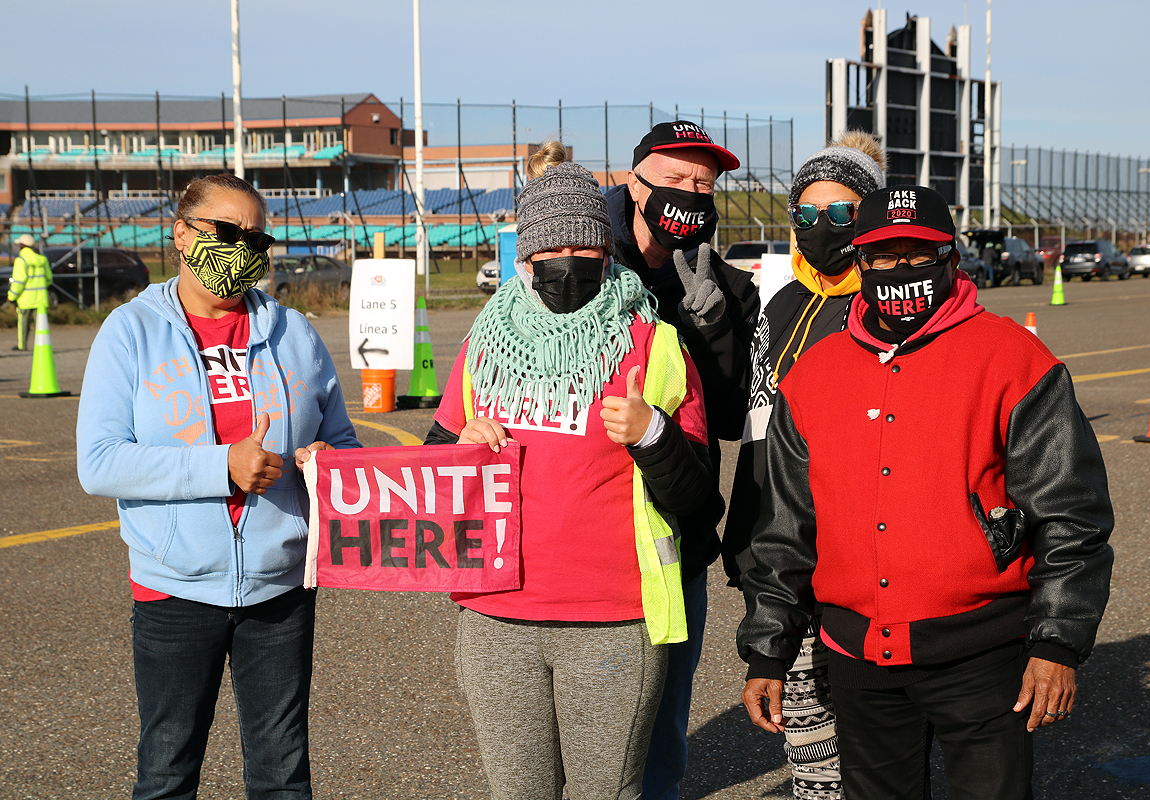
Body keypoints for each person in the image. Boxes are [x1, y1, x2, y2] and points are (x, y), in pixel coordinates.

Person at [737, 184, 1114, 800]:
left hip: (984, 654)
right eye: (883, 257)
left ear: (952, 257)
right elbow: (785, 528)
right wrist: (768, 651)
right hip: (856, 659)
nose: (900, 271)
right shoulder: (812, 375)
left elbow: (1072, 515)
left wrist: (1058, 643)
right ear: (859, 261)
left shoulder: (1015, 359)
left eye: (920, 255)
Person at [425, 143, 712, 800]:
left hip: (613, 621)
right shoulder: (484, 342)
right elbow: (432, 480)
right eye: (554, 259)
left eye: (590, 257)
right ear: (525, 261)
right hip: (496, 618)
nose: (572, 271)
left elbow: (694, 495)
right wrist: (459, 448)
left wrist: (651, 434)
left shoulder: (654, 342)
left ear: (608, 255)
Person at [76, 173, 361, 800]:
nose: (244, 251)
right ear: (181, 234)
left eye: (257, 239)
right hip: (173, 589)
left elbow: (345, 446)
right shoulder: (130, 332)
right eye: (227, 233)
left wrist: (325, 464)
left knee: (283, 776)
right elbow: (97, 462)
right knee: (167, 773)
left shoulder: (297, 336)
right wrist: (219, 466)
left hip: (280, 590)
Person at [723, 130, 887, 800]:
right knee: (809, 745)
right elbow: (758, 431)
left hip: (858, 568)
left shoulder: (888, 306)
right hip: (782, 561)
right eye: (808, 215)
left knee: (874, 748)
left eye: (843, 213)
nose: (824, 229)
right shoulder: (783, 304)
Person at [605, 119, 760, 799]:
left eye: (704, 184)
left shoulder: (724, 285)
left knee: (664, 721)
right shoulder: (578, 264)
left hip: (677, 535)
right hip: (588, 536)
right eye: (674, 179)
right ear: (632, 182)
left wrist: (714, 325)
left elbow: (730, 419)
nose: (691, 194)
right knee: (591, 728)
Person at [6, 233, 52, 350]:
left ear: (22, 245)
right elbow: (49, 279)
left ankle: (23, 346)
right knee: (41, 325)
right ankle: (42, 346)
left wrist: (11, 296)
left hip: (25, 299)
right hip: (41, 298)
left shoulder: (21, 261)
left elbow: (19, 282)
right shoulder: (43, 260)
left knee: (23, 324)